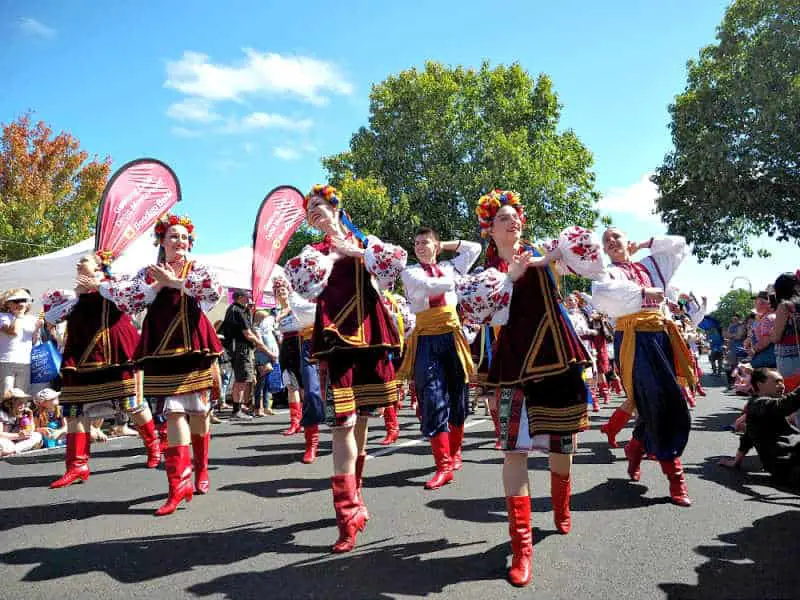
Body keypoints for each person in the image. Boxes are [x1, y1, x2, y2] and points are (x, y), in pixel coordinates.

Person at [456, 190, 596, 587]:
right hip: (512, 366)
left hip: (558, 359)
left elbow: (590, 265)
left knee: (562, 445)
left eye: (515, 216)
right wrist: (512, 276)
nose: (512, 221)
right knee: (514, 452)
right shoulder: (486, 274)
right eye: (503, 218)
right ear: (489, 229)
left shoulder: (548, 252)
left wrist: (555, 256)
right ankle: (521, 548)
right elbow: (475, 313)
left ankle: (561, 507)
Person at [286, 184, 406, 553]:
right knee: (343, 424)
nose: (316, 213)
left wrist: (356, 251)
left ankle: (357, 496)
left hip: (370, 336)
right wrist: (334, 256)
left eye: (321, 206)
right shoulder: (313, 252)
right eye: (311, 212)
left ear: (337, 209)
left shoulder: (367, 241)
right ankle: (347, 516)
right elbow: (304, 287)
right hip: (337, 340)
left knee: (363, 422)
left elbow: (393, 268)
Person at [106, 213, 223, 516]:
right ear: (161, 240)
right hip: (162, 345)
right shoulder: (148, 271)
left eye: (184, 237)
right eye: (173, 236)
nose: (179, 241)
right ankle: (177, 485)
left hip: (194, 343)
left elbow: (213, 292)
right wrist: (157, 286)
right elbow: (125, 300)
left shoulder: (198, 268)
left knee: (198, 412)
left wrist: (177, 282)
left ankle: (201, 470)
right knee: (173, 412)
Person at [590, 227, 694, 507]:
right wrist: (643, 292)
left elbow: (679, 244)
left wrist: (647, 242)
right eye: (606, 240)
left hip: (662, 336)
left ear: (628, 241)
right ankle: (676, 478)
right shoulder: (607, 273)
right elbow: (601, 294)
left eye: (616, 237)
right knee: (656, 400)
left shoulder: (648, 264)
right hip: (634, 340)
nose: (611, 241)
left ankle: (635, 448)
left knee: (657, 400)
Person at [42, 254, 161, 488]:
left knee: (133, 405)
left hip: (114, 353)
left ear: (99, 265)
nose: (78, 263)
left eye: (83, 260)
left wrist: (99, 285)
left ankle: (154, 446)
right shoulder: (71, 294)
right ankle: (77, 466)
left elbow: (137, 298)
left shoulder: (116, 284)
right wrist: (77, 293)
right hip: (80, 355)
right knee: (75, 410)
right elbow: (50, 317)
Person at [398, 227, 480, 487]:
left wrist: (445, 244)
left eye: (425, 242)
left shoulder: (449, 265)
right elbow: (427, 286)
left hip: (452, 337)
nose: (419, 246)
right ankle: (443, 465)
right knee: (432, 397)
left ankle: (455, 453)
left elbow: (474, 248)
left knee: (458, 396)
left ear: (435, 244)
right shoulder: (410, 272)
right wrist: (460, 281)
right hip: (426, 338)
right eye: (416, 243)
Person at [272, 274, 324, 464]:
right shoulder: (282, 307)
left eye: (283, 289)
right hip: (298, 344)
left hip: (326, 339)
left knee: (332, 391)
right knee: (304, 388)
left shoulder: (304, 298)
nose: (281, 292)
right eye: (278, 290)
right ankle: (308, 439)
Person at [720, 368, 800, 488]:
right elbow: (784, 405)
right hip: (789, 465)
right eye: (777, 382)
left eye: (782, 382)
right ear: (759, 385)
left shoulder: (757, 410)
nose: (781, 386)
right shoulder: (758, 404)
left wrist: (736, 461)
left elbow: (748, 437)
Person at [222, 291, 270, 420]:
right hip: (241, 348)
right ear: (240, 298)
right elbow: (247, 333)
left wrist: (249, 311)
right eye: (247, 297)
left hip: (237, 347)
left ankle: (238, 408)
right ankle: (236, 410)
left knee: (241, 379)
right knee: (242, 379)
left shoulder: (234, 309)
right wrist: (263, 347)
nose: (249, 300)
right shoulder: (237, 310)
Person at [0, 288, 41, 396]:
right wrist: (17, 316)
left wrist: (37, 329)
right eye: (16, 301)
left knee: (22, 395)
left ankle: (20, 413)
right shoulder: (3, 317)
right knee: (6, 395)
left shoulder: (32, 319)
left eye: (23, 300)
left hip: (25, 362)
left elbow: (34, 341)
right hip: (6, 361)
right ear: (8, 304)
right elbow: (12, 332)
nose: (20, 303)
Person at [770, 273, 800, 392]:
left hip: (789, 357)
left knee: (791, 393)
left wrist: (772, 332)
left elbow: (776, 337)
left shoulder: (785, 306)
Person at [0, 388, 43, 456]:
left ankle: (12, 450)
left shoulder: (24, 412)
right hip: (6, 440)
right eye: (18, 401)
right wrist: (18, 436)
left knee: (37, 435)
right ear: (8, 403)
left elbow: (30, 431)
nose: (22, 404)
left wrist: (31, 417)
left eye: (23, 401)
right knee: (2, 443)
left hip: (17, 442)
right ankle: (13, 450)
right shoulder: (2, 413)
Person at [253, 309, 279, 416]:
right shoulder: (256, 329)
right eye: (265, 318)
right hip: (263, 357)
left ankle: (267, 406)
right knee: (261, 383)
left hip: (270, 357)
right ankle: (258, 408)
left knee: (268, 383)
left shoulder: (268, 329)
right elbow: (260, 344)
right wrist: (271, 354)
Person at [749, 291, 776, 369]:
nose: (754, 304)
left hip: (767, 357)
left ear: (765, 304)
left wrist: (753, 350)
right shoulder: (772, 316)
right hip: (771, 356)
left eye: (756, 302)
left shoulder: (767, 319)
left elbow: (765, 342)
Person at [725, 314, 747, 388]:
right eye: (733, 319)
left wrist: (732, 335)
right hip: (732, 348)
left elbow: (739, 336)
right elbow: (727, 335)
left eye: (735, 319)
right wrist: (734, 335)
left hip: (741, 348)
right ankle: (733, 383)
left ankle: (741, 383)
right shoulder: (731, 326)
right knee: (732, 366)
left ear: (739, 319)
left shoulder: (742, 326)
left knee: (740, 366)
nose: (734, 320)